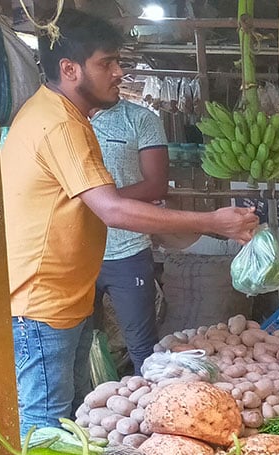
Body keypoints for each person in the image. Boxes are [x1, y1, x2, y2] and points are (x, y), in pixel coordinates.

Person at [2, 8, 258, 435]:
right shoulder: (58, 125)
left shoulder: (61, 116)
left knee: (68, 416)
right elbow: (113, 208)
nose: (119, 72)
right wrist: (214, 221)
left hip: (64, 298)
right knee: (43, 423)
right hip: (40, 303)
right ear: (69, 69)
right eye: (106, 63)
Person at [91, 98, 169, 373]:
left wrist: (100, 202)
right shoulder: (62, 120)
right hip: (74, 255)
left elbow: (156, 185)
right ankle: (86, 410)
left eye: (118, 63)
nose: (117, 73)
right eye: (105, 64)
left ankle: (151, 409)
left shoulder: (140, 119)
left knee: (143, 348)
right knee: (78, 348)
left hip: (127, 251)